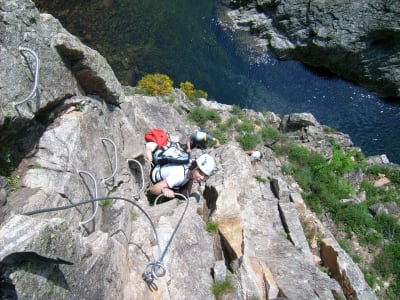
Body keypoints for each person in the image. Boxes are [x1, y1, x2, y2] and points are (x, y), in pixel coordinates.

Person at [149, 154, 216, 198]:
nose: (202, 178)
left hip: (180, 176)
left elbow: (191, 176)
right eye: (201, 173)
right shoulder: (179, 176)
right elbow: (152, 189)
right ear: (195, 167)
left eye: (205, 176)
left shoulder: (192, 165)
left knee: (185, 197)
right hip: (155, 177)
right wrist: (164, 190)